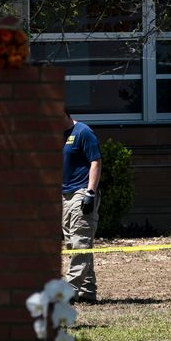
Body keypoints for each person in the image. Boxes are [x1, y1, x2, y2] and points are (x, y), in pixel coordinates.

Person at [62, 110, 102, 303]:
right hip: (64, 195)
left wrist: (90, 193)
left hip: (82, 192)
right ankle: (87, 290)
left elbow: (96, 161)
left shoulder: (83, 132)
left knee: (80, 242)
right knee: (74, 243)